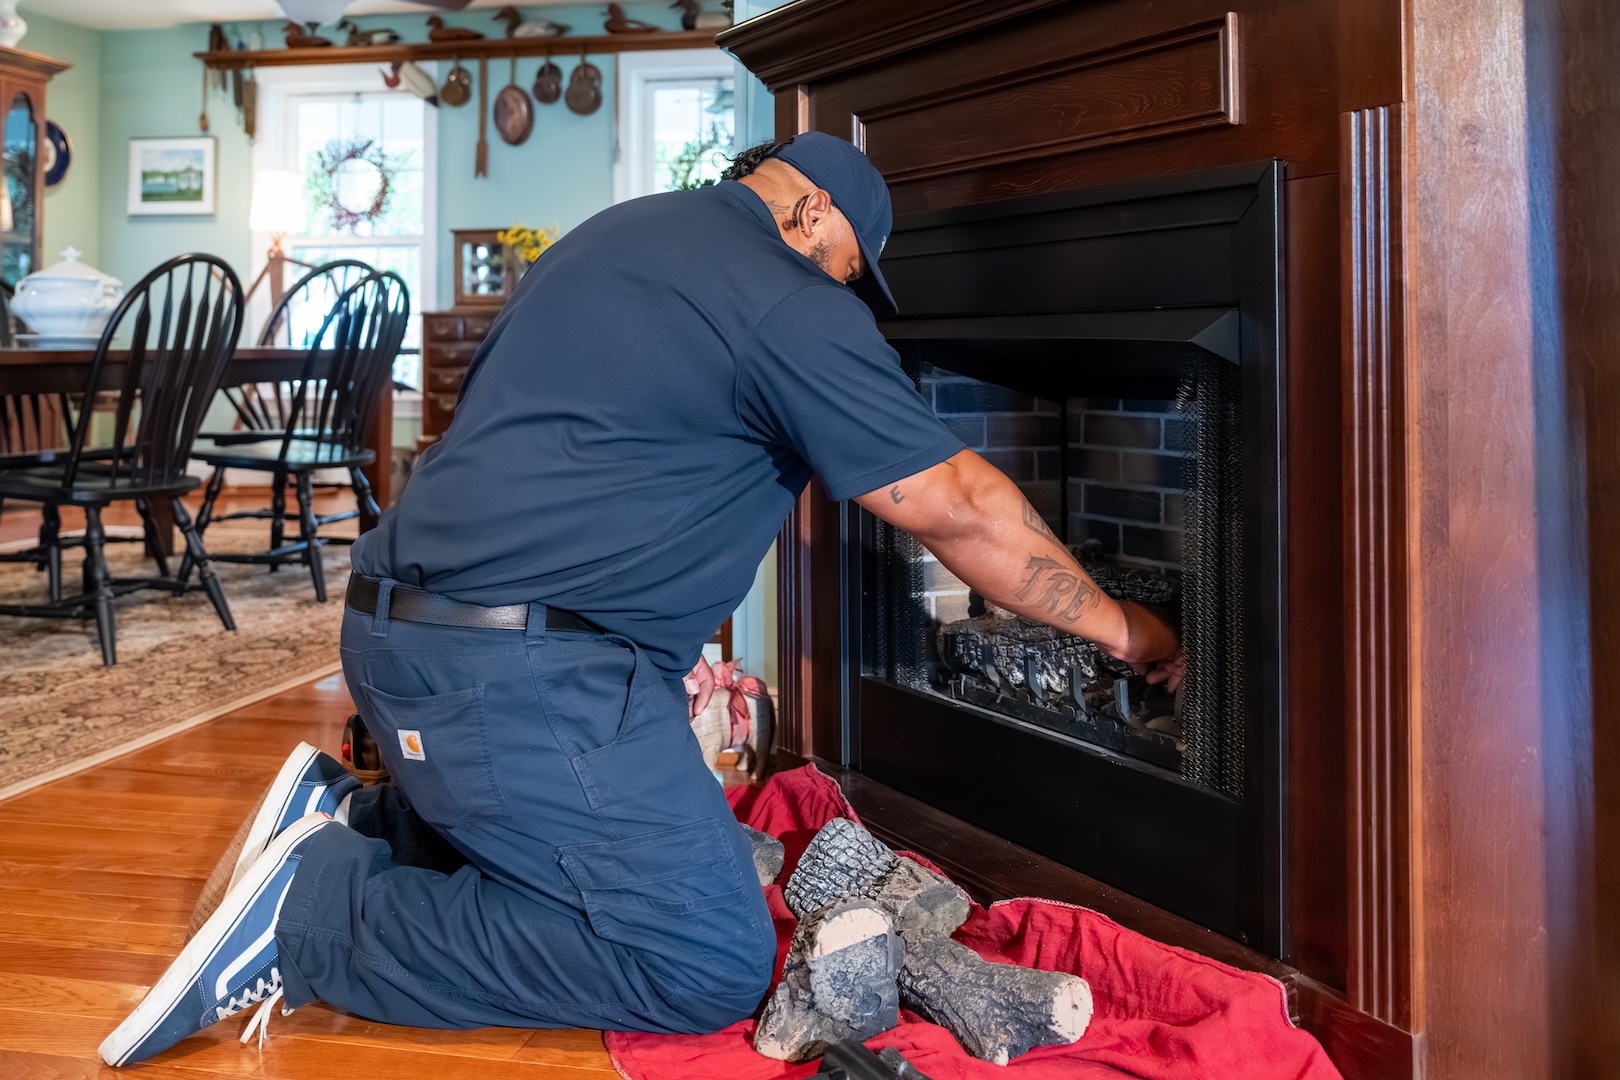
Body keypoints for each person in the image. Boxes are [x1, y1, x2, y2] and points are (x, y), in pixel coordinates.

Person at [99, 133, 1183, 1067]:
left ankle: (362, 818)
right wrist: (1127, 630)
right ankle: (315, 918)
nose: (845, 295)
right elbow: (959, 507)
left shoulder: (614, 235)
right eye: (849, 268)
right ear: (810, 210)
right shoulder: (787, 302)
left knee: (622, 845)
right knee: (702, 961)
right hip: (523, 680)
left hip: (393, 641)